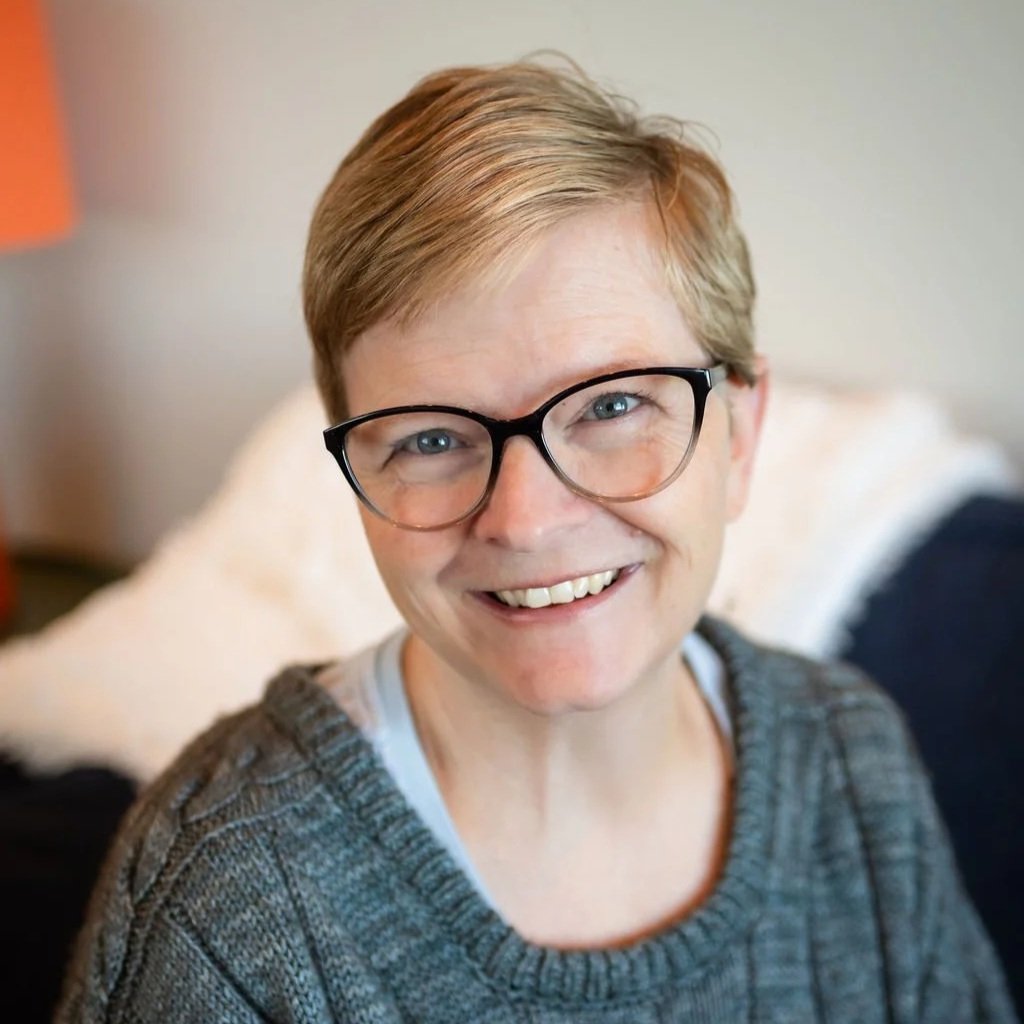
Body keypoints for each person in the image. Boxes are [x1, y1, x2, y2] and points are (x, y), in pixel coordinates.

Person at [57, 58, 1017, 1023]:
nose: (525, 520)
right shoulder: (224, 896)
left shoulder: (851, 763)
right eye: (432, 438)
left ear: (742, 435)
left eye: (612, 406)